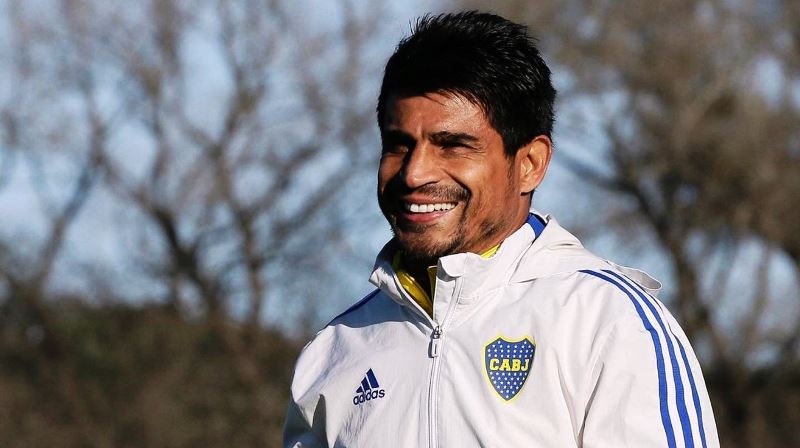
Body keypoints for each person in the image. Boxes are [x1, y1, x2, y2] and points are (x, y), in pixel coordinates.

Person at [283, 11, 719, 447]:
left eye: (453, 146)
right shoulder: (333, 352)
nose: (414, 173)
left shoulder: (607, 322)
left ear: (530, 164)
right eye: (399, 146)